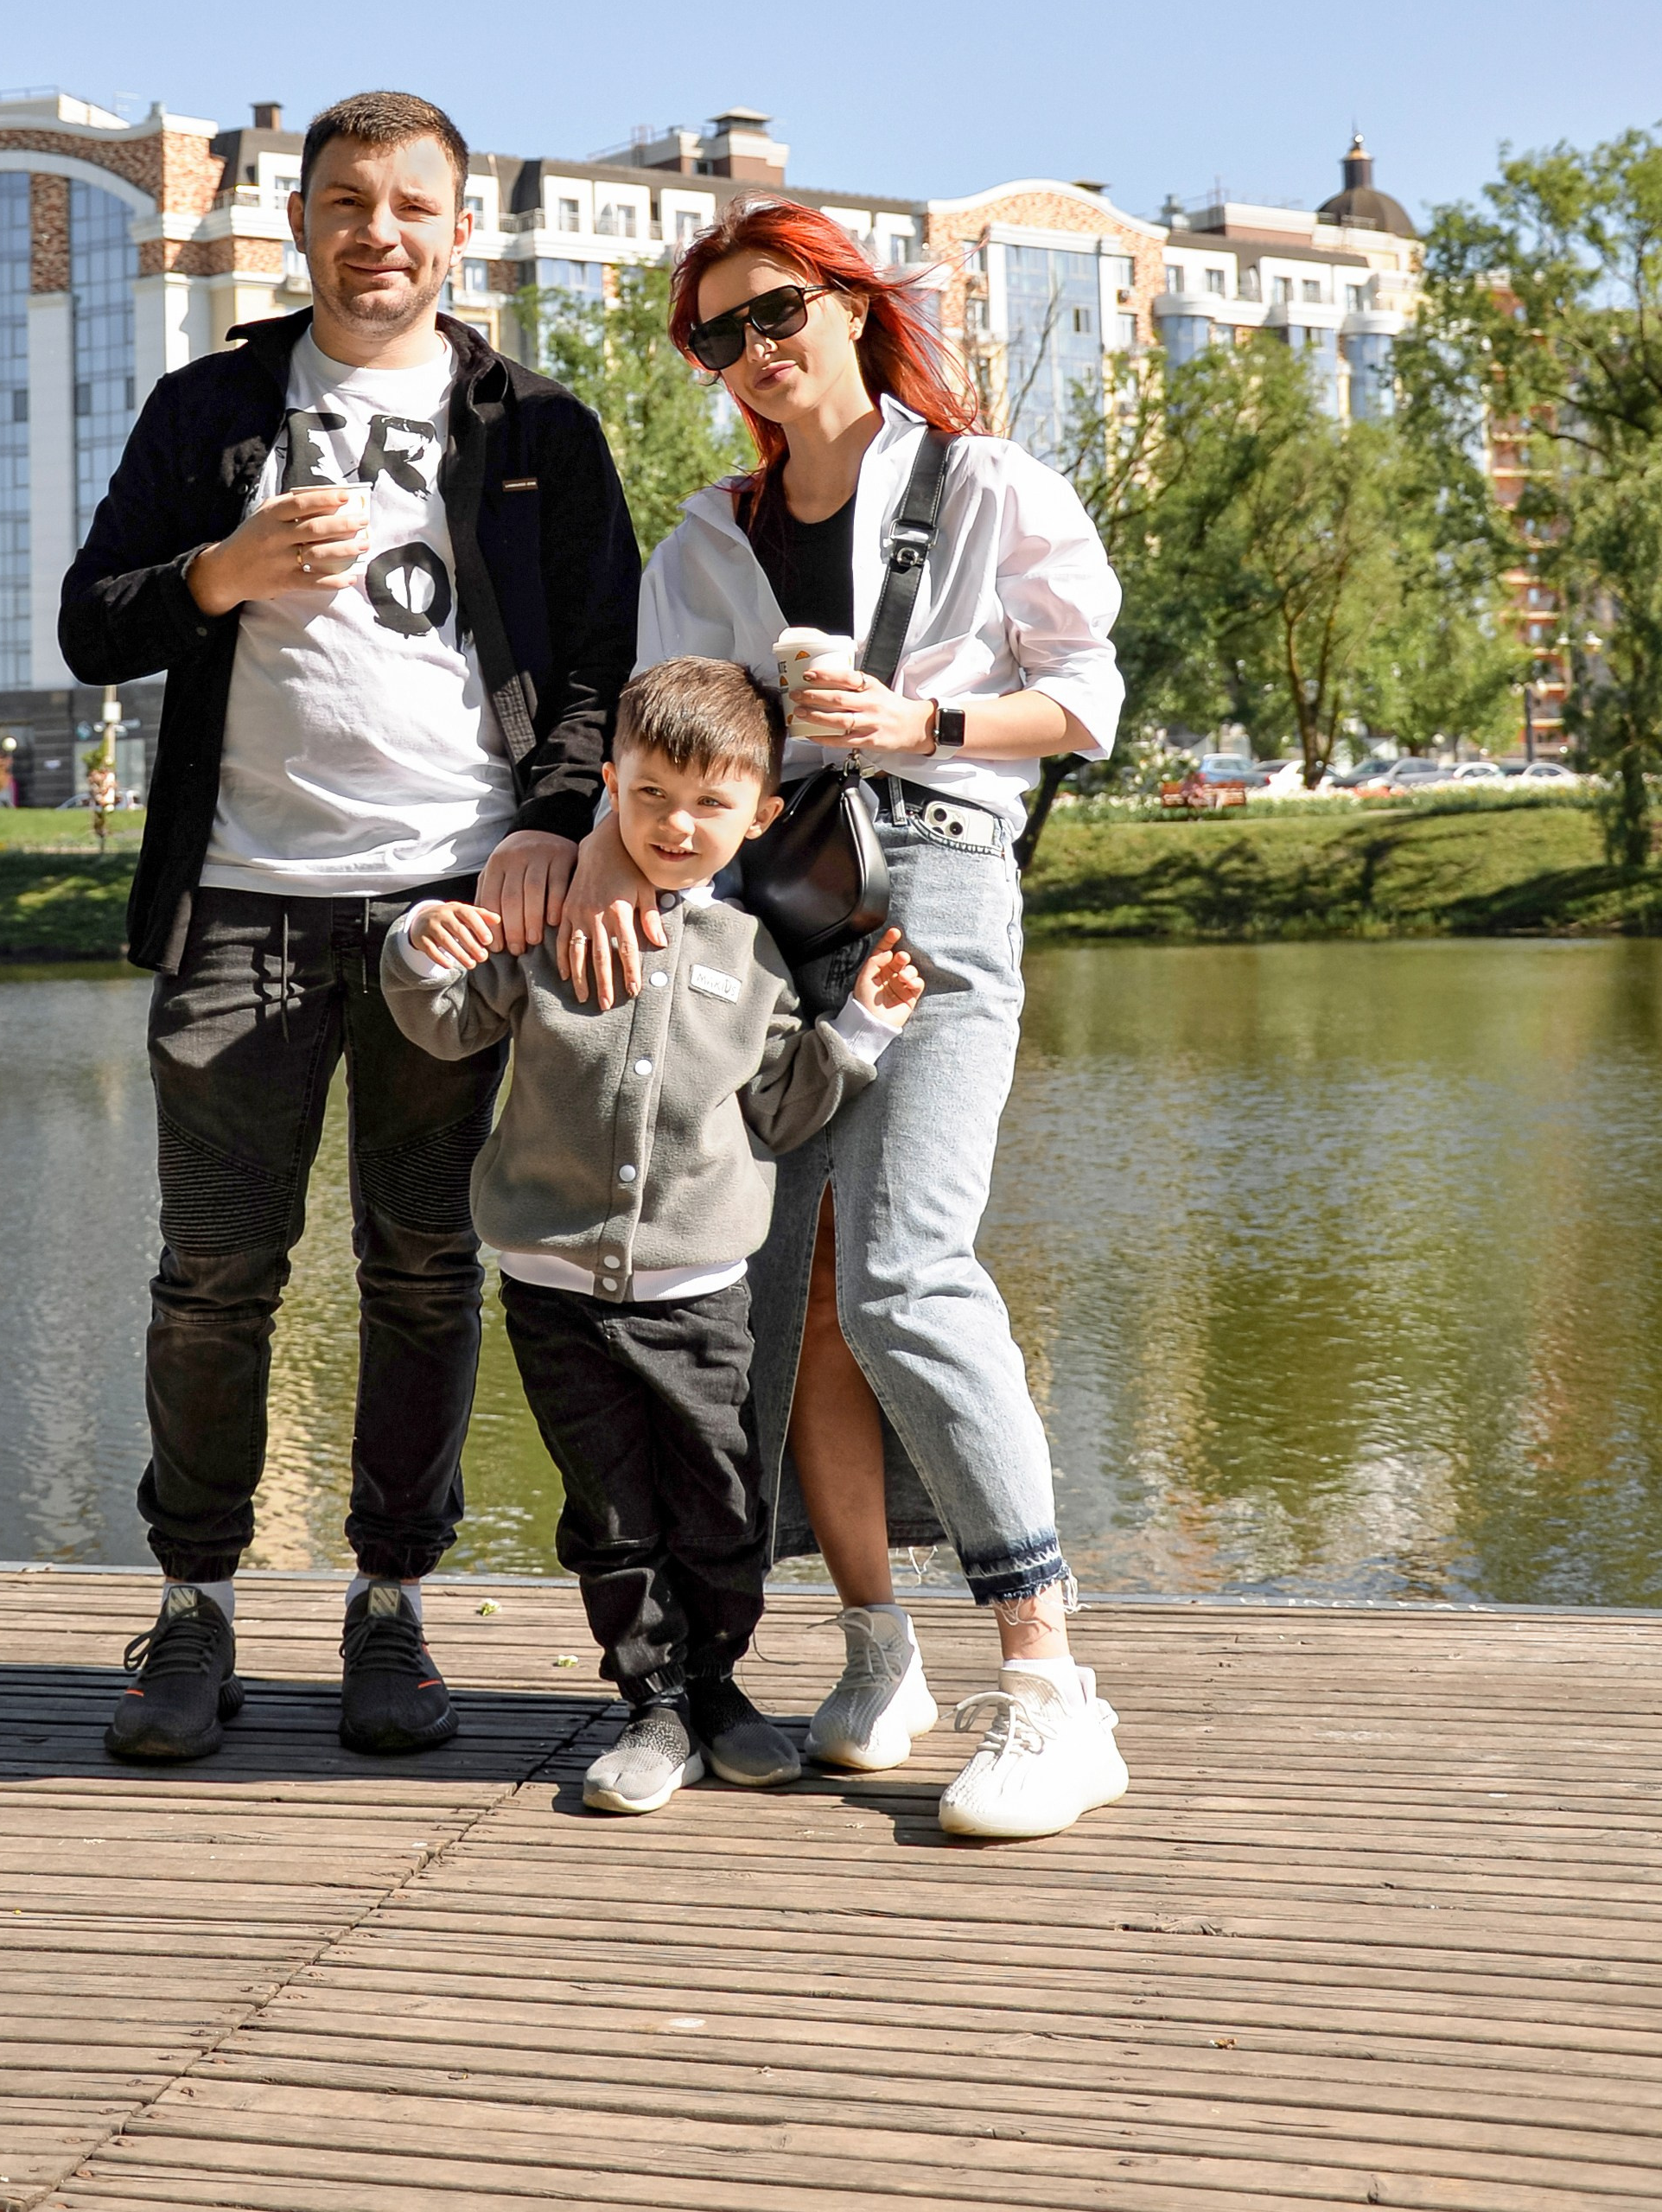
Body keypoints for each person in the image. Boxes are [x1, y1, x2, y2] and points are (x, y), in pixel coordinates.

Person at [60, 90, 640, 1763]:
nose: (376, 233)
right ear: (295, 223)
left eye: (410, 206)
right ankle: (192, 1607)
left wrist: (544, 823)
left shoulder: (535, 426)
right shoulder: (213, 409)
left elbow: (595, 661)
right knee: (213, 1280)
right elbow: (96, 625)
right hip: (240, 898)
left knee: (422, 1269)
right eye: (342, 203)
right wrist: (216, 578)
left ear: (459, 232)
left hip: (447, 906)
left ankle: (392, 1609)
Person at [557, 198, 1130, 1842]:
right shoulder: (701, 543)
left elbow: (1083, 699)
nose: (758, 351)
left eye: (780, 312)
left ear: (854, 305)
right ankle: (880, 1657)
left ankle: (1047, 1686)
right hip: (759, 914)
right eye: (722, 333)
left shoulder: (986, 483)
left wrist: (922, 714)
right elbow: (666, 755)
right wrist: (598, 871)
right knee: (785, 1295)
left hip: (940, 877)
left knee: (903, 1272)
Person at [382, 656, 924, 1815]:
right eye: (650, 796)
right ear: (612, 789)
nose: (677, 826)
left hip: (701, 1292)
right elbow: (442, 1023)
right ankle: (655, 1707)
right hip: (553, 1286)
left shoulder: (756, 957)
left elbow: (785, 1109)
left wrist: (866, 1027)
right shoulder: (552, 931)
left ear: (760, 815)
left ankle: (720, 1690)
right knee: (613, 1514)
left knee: (724, 1500)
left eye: (710, 804)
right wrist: (423, 938)